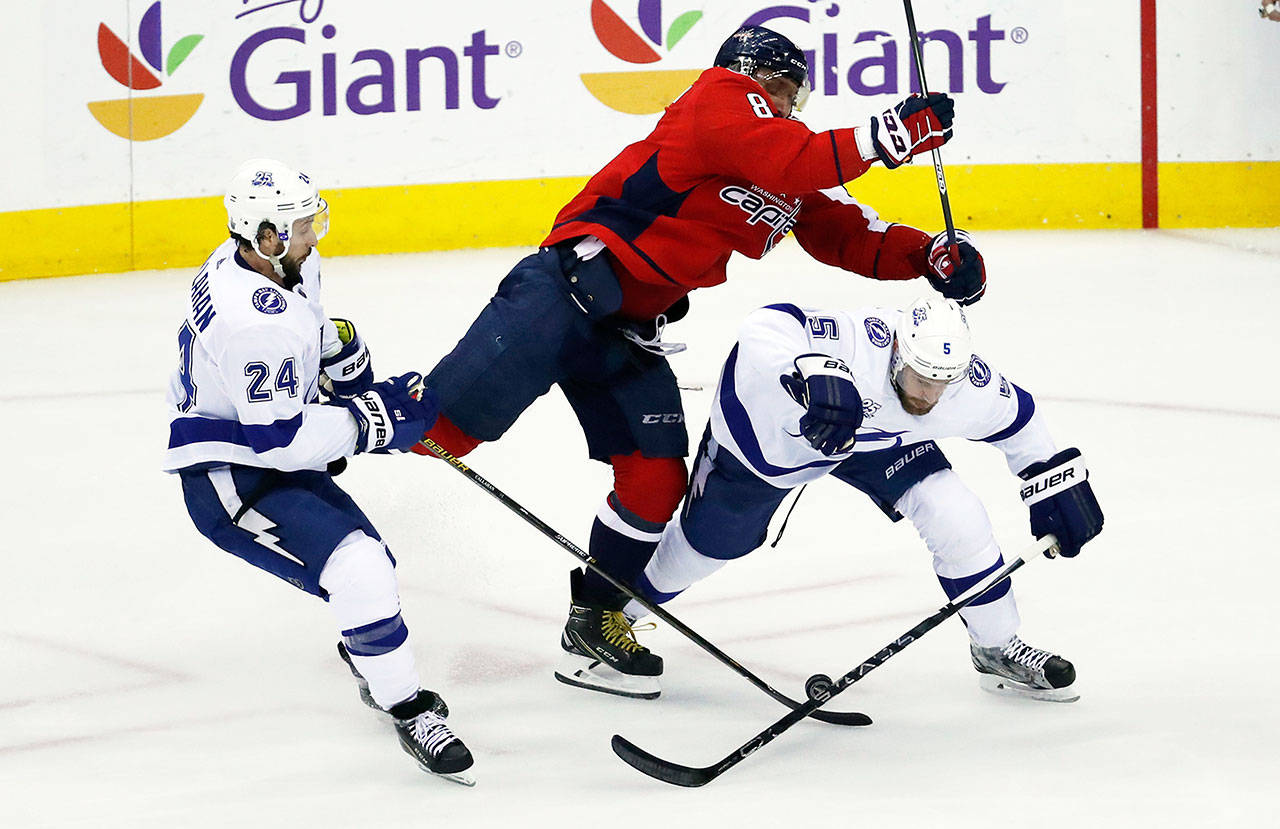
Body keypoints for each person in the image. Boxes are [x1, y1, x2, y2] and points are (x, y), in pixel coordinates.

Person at [415, 25, 986, 700]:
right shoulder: (719, 99)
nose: (790, 103)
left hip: (627, 333)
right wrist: (882, 137)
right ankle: (304, 480)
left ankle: (596, 614)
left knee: (656, 481)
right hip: (561, 295)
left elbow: (840, 231)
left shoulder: (781, 161)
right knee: (433, 430)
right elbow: (789, 158)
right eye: (785, 89)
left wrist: (927, 255)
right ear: (756, 75)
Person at [619, 296, 1104, 701]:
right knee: (710, 545)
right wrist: (811, 370)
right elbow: (767, 324)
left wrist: (1057, 483)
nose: (930, 396)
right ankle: (613, 617)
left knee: (956, 513)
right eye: (921, 379)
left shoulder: (962, 386)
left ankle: (996, 645)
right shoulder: (857, 341)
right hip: (771, 435)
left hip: (877, 441)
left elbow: (1021, 423)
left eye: (942, 383)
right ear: (896, 351)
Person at [163, 159, 475, 784]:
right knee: (358, 573)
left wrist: (352, 366)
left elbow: (310, 330)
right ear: (269, 238)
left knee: (371, 568)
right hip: (232, 479)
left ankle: (368, 652)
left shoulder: (268, 265)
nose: (316, 236)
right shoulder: (253, 321)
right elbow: (279, 439)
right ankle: (407, 708)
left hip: (264, 453)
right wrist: (372, 423)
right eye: (304, 227)